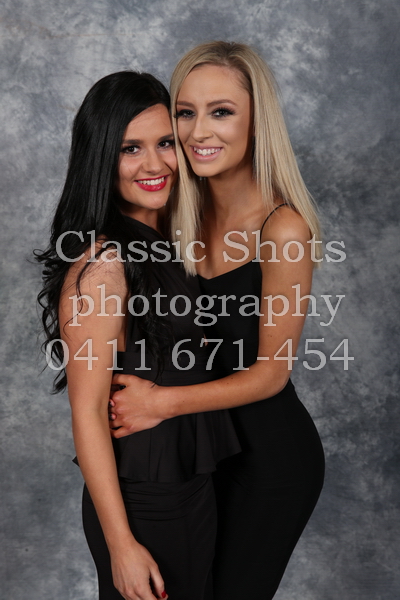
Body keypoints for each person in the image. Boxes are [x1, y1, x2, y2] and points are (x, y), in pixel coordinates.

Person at [108, 42, 325, 599]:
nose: (198, 131)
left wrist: (160, 403)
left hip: (270, 461)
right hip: (197, 452)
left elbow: (271, 374)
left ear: (256, 121)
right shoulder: (175, 210)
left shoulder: (283, 229)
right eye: (185, 112)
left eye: (221, 111)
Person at [35, 70, 241, 600]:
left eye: (165, 143)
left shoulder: (162, 241)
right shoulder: (104, 264)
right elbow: (87, 412)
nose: (155, 164)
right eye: (131, 149)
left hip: (188, 486)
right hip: (148, 503)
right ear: (102, 158)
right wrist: (122, 545)